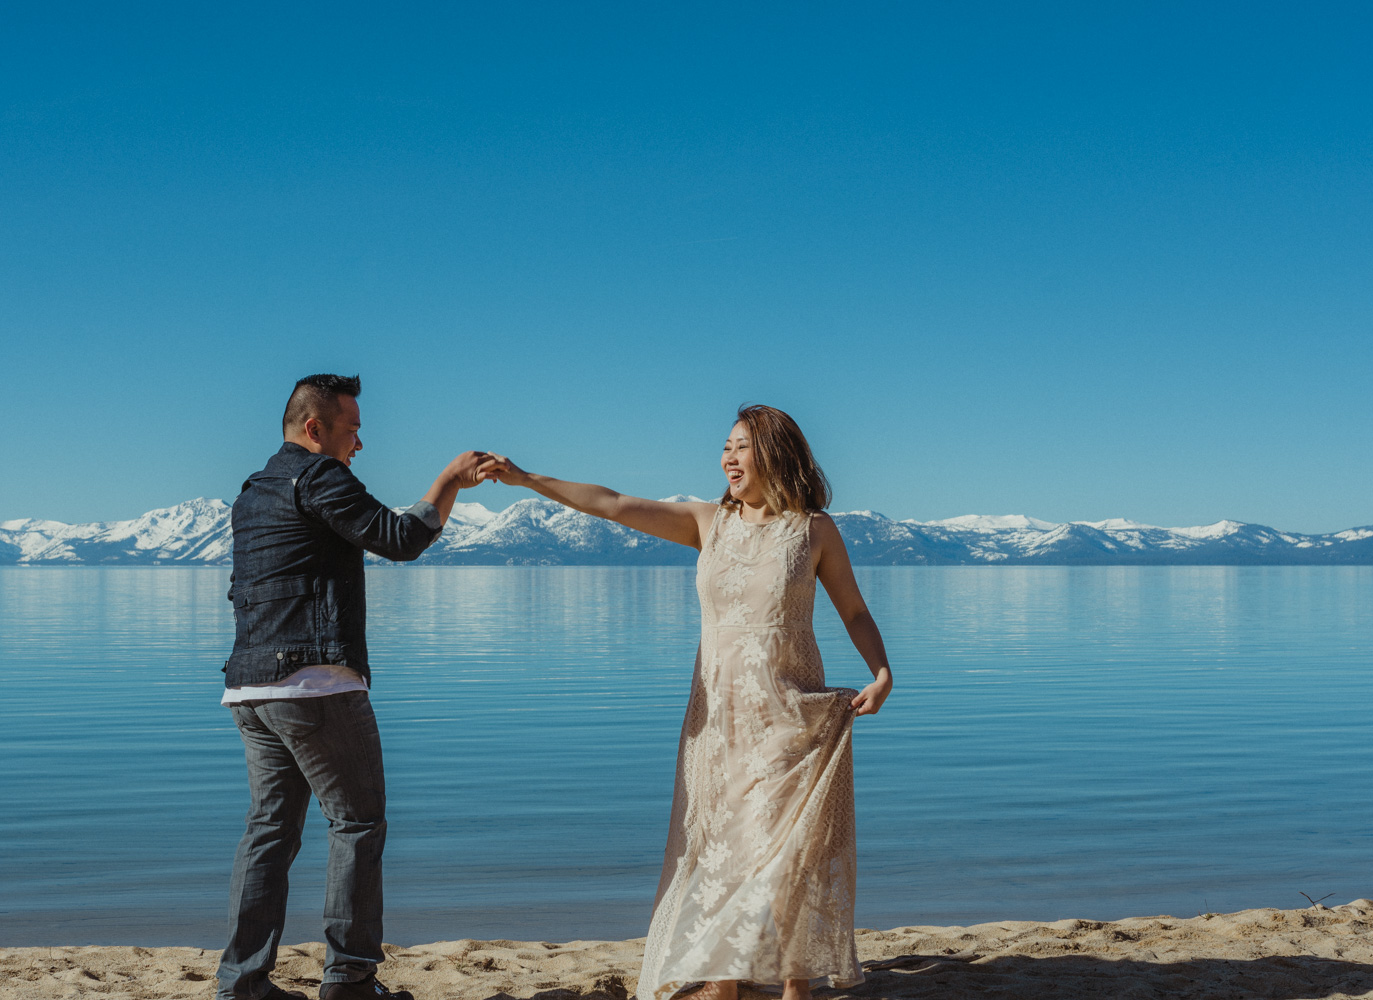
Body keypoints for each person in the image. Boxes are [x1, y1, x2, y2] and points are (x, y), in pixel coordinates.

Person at [480, 404, 893, 1000]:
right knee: (723, 848)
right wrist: (527, 480)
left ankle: (796, 985)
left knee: (788, 854)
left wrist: (881, 673)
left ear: (775, 453)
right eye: (725, 446)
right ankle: (724, 984)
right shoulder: (708, 523)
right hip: (718, 720)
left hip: (789, 714)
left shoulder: (813, 531)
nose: (728, 456)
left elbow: (853, 611)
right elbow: (613, 503)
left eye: (742, 446)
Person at [217, 373, 489, 1000]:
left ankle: (243, 983)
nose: (359, 443)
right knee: (358, 824)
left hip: (250, 688)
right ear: (315, 429)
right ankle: (349, 980)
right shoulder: (318, 477)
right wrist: (448, 482)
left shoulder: (253, 491)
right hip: (315, 685)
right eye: (352, 429)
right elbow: (400, 540)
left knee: (270, 831)